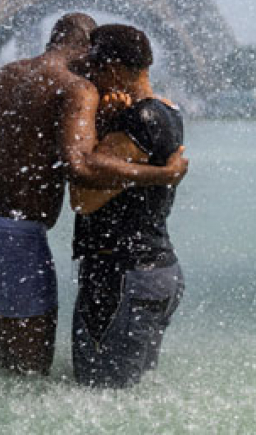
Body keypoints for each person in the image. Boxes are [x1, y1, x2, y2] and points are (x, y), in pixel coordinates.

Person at [0, 13, 188, 375]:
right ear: (86, 50)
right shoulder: (77, 88)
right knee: (27, 380)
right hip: (16, 238)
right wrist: (161, 175)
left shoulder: (4, 76)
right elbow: (80, 166)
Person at [67, 24, 186, 388]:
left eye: (95, 70)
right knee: (126, 401)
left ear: (115, 70)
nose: (89, 79)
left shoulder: (139, 119)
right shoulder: (167, 111)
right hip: (149, 272)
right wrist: (105, 122)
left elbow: (82, 198)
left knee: (103, 396)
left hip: (123, 276)